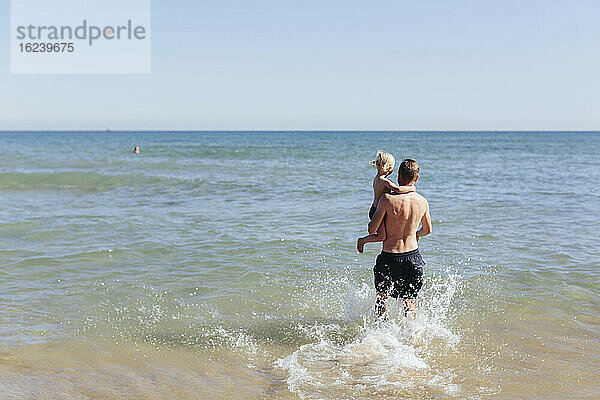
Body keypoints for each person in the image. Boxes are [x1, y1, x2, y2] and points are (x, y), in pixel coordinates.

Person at [365, 159, 432, 318]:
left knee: (381, 298)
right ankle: (412, 338)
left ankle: (380, 334)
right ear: (416, 179)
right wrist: (415, 235)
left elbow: (372, 229)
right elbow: (428, 230)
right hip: (413, 257)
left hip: (389, 257)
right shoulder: (422, 201)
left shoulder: (387, 200)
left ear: (398, 176)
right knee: (409, 301)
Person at [356, 151, 415, 253]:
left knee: (382, 236)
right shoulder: (384, 181)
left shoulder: (377, 179)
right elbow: (398, 189)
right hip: (377, 211)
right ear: (388, 167)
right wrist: (411, 189)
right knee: (382, 236)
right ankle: (362, 240)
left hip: (375, 209)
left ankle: (366, 236)